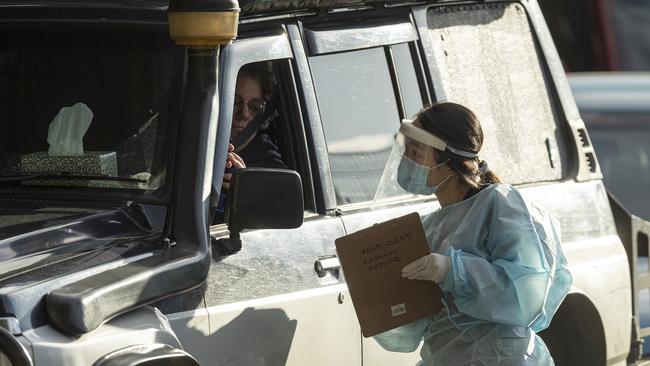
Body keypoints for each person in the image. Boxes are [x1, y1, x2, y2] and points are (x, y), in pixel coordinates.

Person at [372, 102, 572, 365]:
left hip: (502, 358)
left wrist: (454, 271)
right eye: (405, 151)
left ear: (449, 157)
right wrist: (377, 287)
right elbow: (408, 330)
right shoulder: (428, 227)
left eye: (416, 151)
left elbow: (527, 294)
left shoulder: (500, 204)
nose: (407, 160)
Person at [223, 63, 286, 190]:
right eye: (234, 102)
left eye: (256, 106)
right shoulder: (191, 147)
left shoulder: (269, 167)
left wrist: (247, 192)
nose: (245, 114)